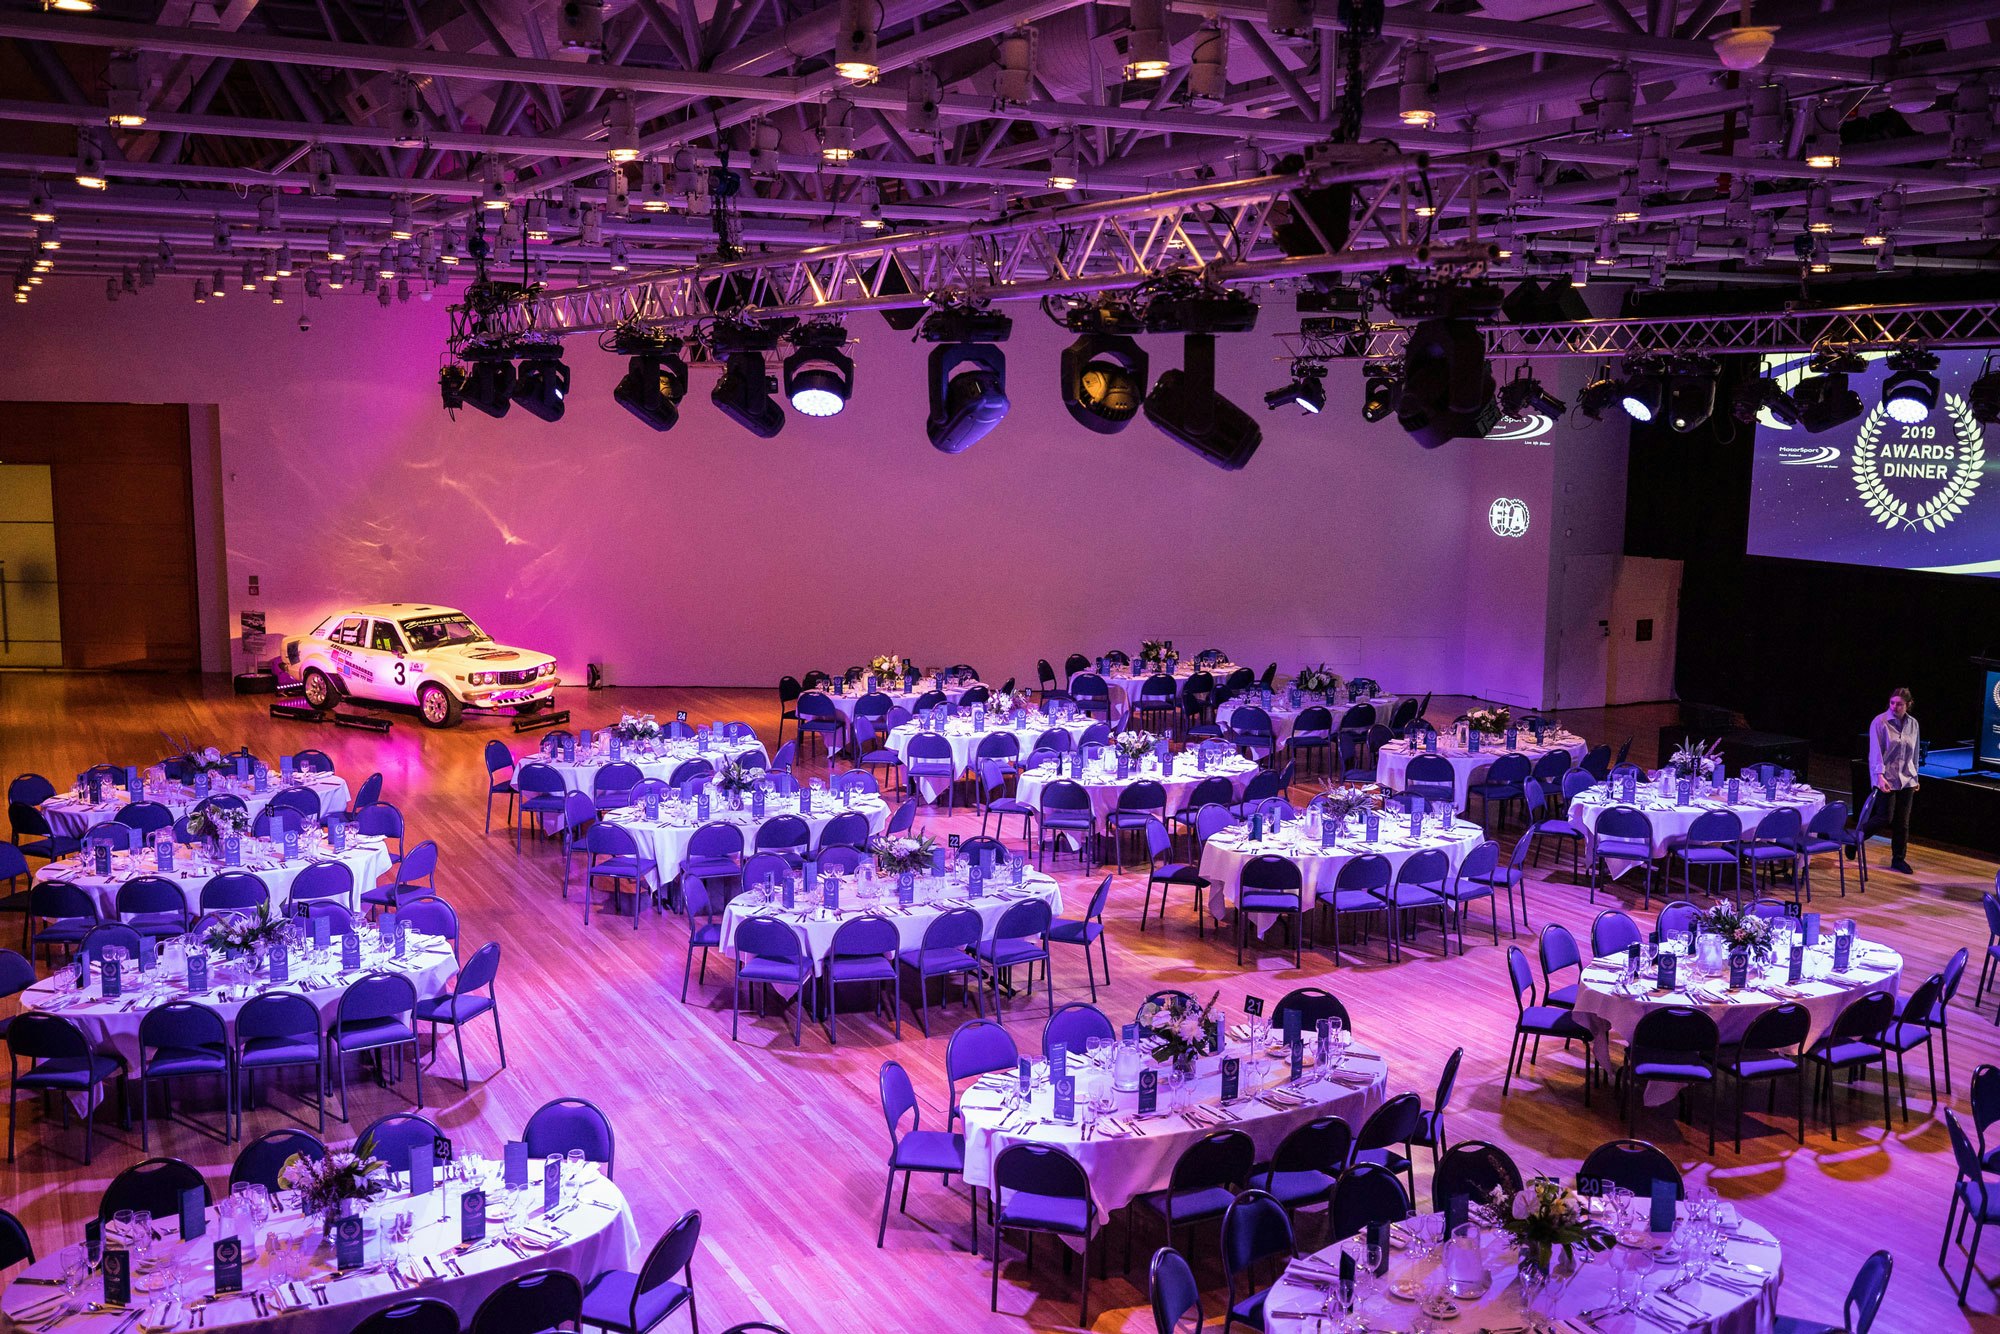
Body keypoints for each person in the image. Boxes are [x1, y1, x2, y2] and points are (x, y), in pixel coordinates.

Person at [1866, 687, 1920, 874]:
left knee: (1902, 822)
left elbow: (1915, 752)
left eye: (1899, 704)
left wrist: (1915, 777)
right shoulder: (1879, 722)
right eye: (1892, 703)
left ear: (1908, 705)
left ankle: (1898, 859)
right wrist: (1879, 776)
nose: (1894, 707)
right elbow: (1876, 752)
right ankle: (1855, 838)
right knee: (1884, 817)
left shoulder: (1913, 724)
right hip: (1886, 777)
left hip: (1907, 779)